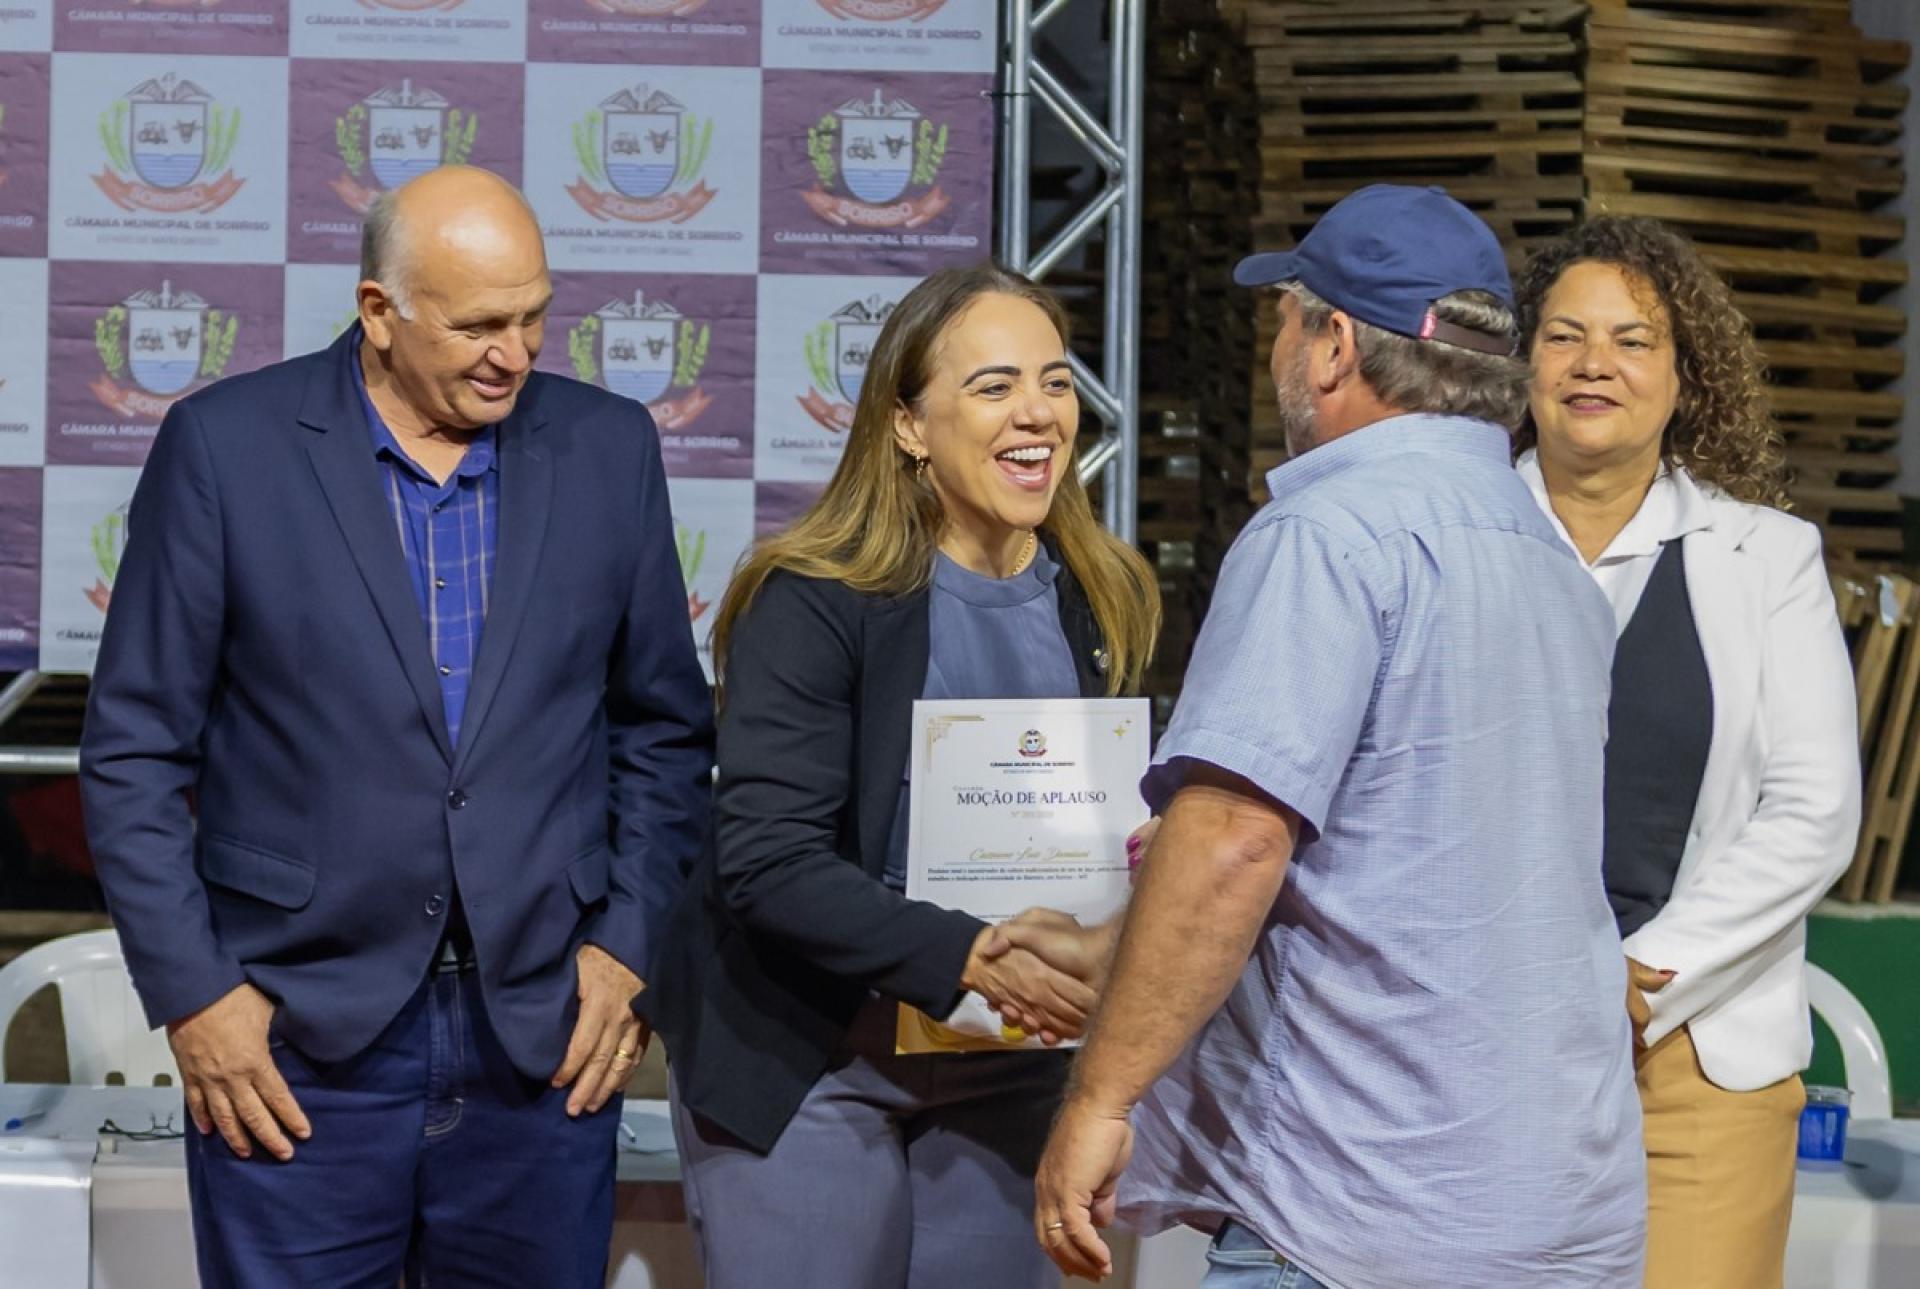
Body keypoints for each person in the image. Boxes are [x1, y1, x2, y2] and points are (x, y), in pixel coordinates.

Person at [78, 166, 714, 1287]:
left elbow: (662, 730)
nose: (515, 353)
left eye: (533, 316)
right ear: (379, 311)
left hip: (541, 1040)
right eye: (478, 325)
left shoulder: (609, 447)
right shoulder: (226, 448)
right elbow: (133, 749)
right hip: (294, 1043)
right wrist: (197, 997)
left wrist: (628, 948)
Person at [1028, 184, 1646, 1287]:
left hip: (1363, 1210)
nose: (1277, 352)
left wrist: (1101, 1097)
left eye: (1285, 321)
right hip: (1560, 1210)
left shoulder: (1326, 534)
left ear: (1335, 346)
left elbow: (1234, 840)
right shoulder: (1554, 559)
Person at [651, 263, 1161, 1289]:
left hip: (1013, 1061)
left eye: (1056, 381)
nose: (1037, 412)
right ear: (909, 424)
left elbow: (1118, 825)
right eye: (994, 385)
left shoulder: (1105, 595)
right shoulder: (813, 596)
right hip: (811, 1059)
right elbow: (770, 861)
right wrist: (968, 954)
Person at [1513, 215, 1860, 1289]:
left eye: (1633, 340)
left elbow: (1814, 810)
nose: (1594, 364)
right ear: (1522, 364)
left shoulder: (1769, 559)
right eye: (1565, 335)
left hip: (1692, 1060)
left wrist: (1633, 977)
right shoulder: (1455, 539)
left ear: (1683, 376)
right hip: (1480, 1048)